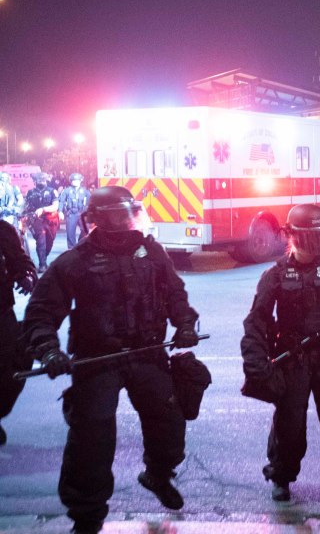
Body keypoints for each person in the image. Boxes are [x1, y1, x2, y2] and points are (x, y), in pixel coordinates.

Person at [23, 186, 200, 534]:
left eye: (126, 213)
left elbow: (175, 293)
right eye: (115, 214)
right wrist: (49, 350)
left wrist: (185, 324)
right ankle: (87, 517)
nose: (123, 220)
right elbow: (41, 312)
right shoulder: (76, 261)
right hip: (97, 359)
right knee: (91, 440)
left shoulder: (151, 252)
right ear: (98, 218)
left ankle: (158, 474)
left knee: (169, 421)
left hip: (147, 353)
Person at [241, 204, 320, 511]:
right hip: (293, 360)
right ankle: (281, 478)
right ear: (293, 238)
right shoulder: (274, 276)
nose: (317, 246)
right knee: (289, 424)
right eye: (311, 238)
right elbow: (256, 322)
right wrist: (256, 362)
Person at [0, 220, 37, 445]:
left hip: (1, 313)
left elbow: (21, 262)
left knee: (16, 367)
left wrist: (27, 276)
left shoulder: (3, 230)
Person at [23, 172, 60, 272]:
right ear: (35, 181)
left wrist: (43, 209)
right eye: (39, 180)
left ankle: (44, 257)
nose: (41, 182)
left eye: (43, 180)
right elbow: (26, 206)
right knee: (41, 241)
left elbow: (55, 206)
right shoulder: (30, 192)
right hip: (36, 221)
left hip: (50, 220)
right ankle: (42, 264)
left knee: (49, 242)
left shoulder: (52, 191)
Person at [58, 173, 91, 249]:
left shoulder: (85, 191)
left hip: (82, 214)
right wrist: (60, 212)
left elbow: (90, 202)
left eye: (76, 180)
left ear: (80, 181)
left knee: (85, 230)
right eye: (73, 180)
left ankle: (80, 244)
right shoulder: (66, 191)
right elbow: (61, 201)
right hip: (71, 214)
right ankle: (71, 249)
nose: (74, 182)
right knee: (70, 233)